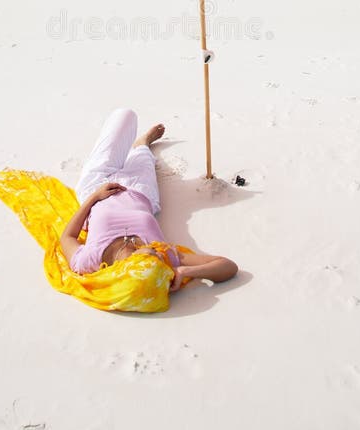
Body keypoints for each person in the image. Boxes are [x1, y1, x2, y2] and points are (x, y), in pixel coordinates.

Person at [60, 108, 238, 292]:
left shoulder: (91, 261)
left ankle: (135, 149)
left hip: (96, 184)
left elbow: (67, 237)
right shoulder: (165, 254)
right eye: (160, 261)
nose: (158, 255)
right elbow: (228, 266)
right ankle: (143, 143)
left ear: (135, 261)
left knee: (125, 116)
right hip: (141, 189)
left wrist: (95, 197)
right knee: (141, 148)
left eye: (153, 258)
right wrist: (187, 271)